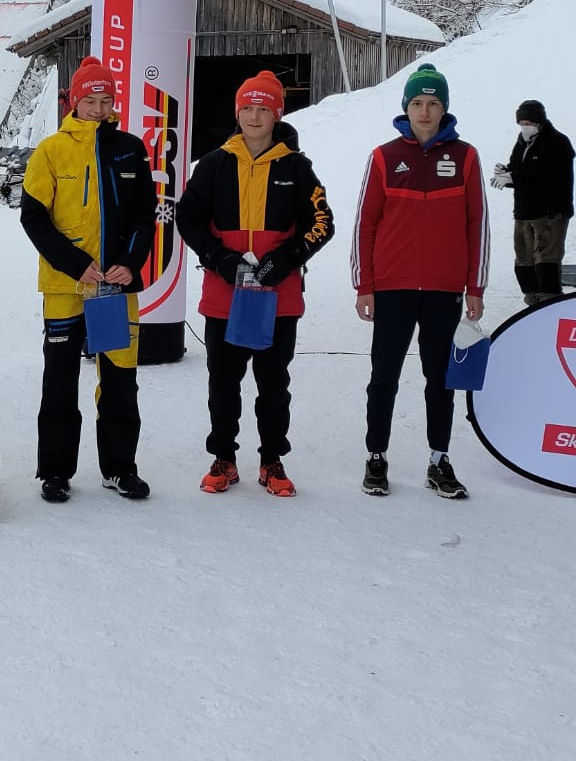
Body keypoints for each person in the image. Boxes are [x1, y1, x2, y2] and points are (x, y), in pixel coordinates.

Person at [175, 71, 335, 498]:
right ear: (237, 112)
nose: (254, 116)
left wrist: (287, 258)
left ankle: (272, 460)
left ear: (277, 113)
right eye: (247, 107)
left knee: (273, 385)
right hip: (225, 296)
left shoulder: (297, 167)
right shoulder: (213, 164)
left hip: (277, 298)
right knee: (223, 384)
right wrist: (219, 258)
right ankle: (223, 458)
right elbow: (186, 217)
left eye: (263, 108)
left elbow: (323, 223)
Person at [20, 56, 156, 502]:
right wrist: (75, 264)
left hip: (115, 288)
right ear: (73, 102)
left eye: (105, 101)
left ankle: (120, 468)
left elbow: (145, 215)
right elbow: (34, 218)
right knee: (60, 380)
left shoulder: (130, 148)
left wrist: (130, 263)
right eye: (90, 101)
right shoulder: (50, 151)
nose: (98, 109)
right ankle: (55, 472)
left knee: (119, 379)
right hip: (66, 286)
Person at [351, 64, 488, 499]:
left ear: (444, 108)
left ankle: (438, 460)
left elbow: (477, 225)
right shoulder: (384, 157)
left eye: (432, 103)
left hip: (445, 290)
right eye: (417, 103)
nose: (425, 111)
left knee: (441, 379)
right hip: (393, 287)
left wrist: (475, 288)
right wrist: (364, 285)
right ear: (405, 108)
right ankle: (376, 456)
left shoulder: (466, 157)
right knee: (384, 376)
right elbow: (365, 224)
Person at [489, 99, 572, 306]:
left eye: (528, 123)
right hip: (524, 212)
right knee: (523, 260)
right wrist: (506, 173)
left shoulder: (557, 142)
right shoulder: (521, 143)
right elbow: (520, 170)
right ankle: (532, 300)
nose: (525, 127)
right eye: (521, 123)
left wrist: (514, 177)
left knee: (546, 259)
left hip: (549, 212)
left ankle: (549, 301)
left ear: (539, 122)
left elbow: (546, 175)